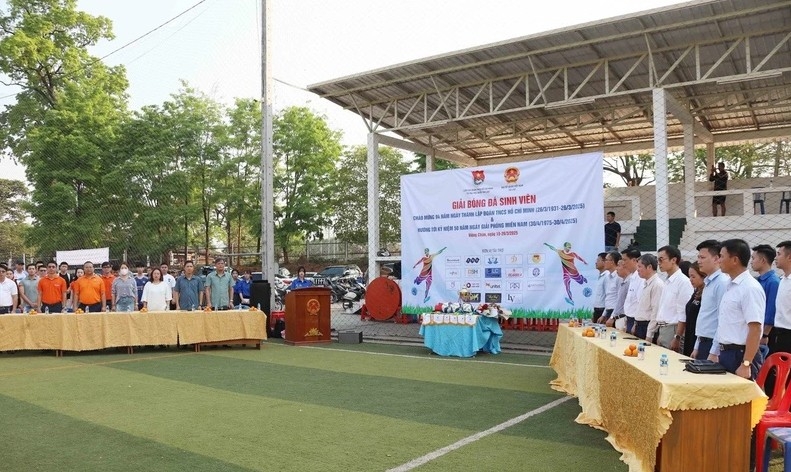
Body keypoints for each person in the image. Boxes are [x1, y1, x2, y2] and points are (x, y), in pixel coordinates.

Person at [716, 238, 765, 380]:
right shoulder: (730, 285)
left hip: (741, 354)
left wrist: (746, 363)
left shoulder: (750, 288)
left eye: (722, 256)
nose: (719, 260)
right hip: (727, 353)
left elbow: (755, 328)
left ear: (735, 260)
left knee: (743, 401)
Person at [691, 240, 730, 360]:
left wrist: (714, 351)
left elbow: (722, 319)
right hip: (703, 341)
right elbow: (705, 317)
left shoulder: (722, 283)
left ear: (716, 258)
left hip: (713, 343)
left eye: (702, 257)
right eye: (698, 257)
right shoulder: (708, 282)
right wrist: (697, 346)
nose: (699, 261)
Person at [654, 246, 693, 351]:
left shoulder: (683, 282)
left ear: (674, 260)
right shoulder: (667, 281)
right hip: (663, 329)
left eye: (661, 259)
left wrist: (677, 337)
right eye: (657, 260)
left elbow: (683, 313)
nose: (659, 263)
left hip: (674, 329)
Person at [751, 244, 780, 361]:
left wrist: (764, 335)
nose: (751, 262)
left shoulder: (773, 282)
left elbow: (771, 310)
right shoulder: (758, 280)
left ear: (763, 260)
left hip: (765, 334)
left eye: (753, 258)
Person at [544, 242, 588, 306]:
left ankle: (582, 278)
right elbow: (553, 248)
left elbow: (578, 257)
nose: (569, 248)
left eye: (570, 247)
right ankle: (571, 300)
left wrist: (584, 261)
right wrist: (547, 245)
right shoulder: (560, 252)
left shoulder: (573, 254)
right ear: (564, 247)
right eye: (568, 247)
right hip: (566, 273)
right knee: (567, 286)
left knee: (581, 282)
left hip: (574, 272)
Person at [633, 254, 664, 341]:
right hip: (640, 325)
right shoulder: (646, 283)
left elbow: (655, 311)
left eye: (640, 266)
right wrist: (635, 324)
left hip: (647, 326)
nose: (637, 269)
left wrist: (649, 334)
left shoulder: (657, 284)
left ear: (649, 267)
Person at [772, 241, 791, 355]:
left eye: (779, 254)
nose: (776, 258)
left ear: (789, 257)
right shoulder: (782, 280)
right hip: (779, 334)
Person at [684, 262, 706, 357]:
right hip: (689, 334)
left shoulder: (706, 293)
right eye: (689, 276)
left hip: (698, 337)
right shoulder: (696, 292)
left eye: (693, 276)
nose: (690, 280)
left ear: (702, 276)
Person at [620, 248, 642, 334]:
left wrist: (635, 323)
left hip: (636, 321)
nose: (623, 263)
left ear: (634, 260)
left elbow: (640, 303)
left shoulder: (641, 278)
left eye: (625, 260)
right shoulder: (632, 277)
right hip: (629, 319)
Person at [599, 251, 621, 324]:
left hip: (615, 313)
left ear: (612, 262)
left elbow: (619, 299)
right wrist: (603, 315)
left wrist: (612, 317)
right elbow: (608, 297)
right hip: (608, 311)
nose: (604, 262)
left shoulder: (618, 277)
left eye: (606, 260)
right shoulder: (608, 277)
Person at [592, 253, 608, 323]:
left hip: (602, 310)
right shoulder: (601, 276)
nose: (596, 262)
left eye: (598, 260)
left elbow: (608, 296)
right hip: (597, 310)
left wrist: (604, 315)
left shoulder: (607, 276)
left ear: (604, 262)